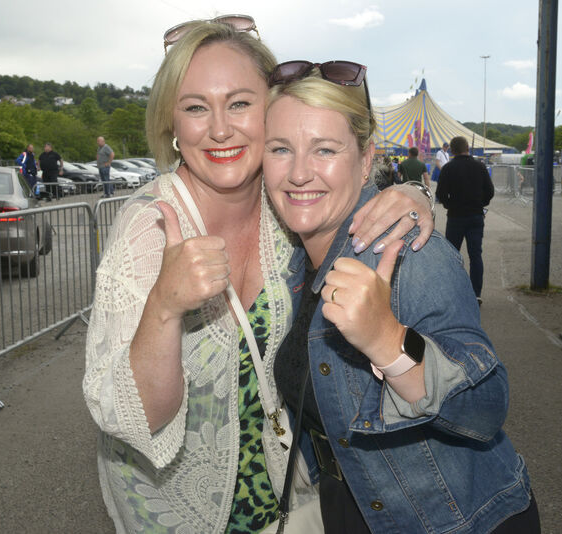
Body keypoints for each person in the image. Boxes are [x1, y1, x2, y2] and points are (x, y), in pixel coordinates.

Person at [82, 19, 434, 534]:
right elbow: (137, 418)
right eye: (196, 107)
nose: (220, 128)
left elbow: (351, 193)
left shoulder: (283, 205)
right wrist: (163, 305)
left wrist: (417, 197)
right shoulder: (148, 227)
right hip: (176, 509)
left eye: (241, 103)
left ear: (272, 111)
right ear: (172, 126)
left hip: (284, 493)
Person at [263, 60, 538, 534]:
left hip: (455, 521)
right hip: (351, 507)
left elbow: (488, 407)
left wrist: (390, 344)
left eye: (325, 149)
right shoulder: (291, 261)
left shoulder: (408, 250)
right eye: (281, 149)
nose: (300, 172)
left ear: (366, 159)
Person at [435, 135, 494, 304]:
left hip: (455, 217)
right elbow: (490, 191)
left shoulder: (448, 168)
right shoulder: (480, 166)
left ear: (452, 150)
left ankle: (454, 291)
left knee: (452, 255)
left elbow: (440, 194)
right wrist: (480, 203)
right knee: (476, 255)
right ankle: (476, 293)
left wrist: (449, 204)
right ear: (467, 147)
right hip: (475, 216)